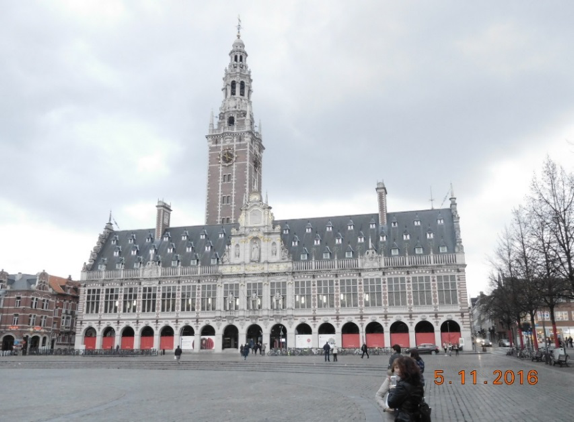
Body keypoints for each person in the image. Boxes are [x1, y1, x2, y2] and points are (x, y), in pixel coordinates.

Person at [387, 356, 425, 422]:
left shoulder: (402, 385)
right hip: (416, 416)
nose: (397, 370)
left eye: (399, 367)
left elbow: (391, 403)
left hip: (404, 418)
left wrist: (392, 389)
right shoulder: (418, 382)